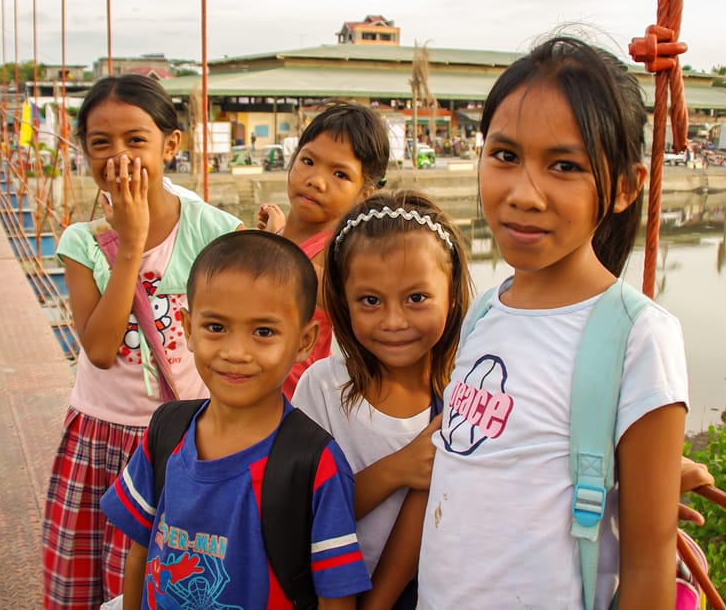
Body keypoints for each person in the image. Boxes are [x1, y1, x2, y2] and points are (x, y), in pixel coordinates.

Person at [418, 36, 689, 609]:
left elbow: (648, 565)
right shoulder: (486, 310)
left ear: (623, 187)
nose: (523, 194)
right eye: (505, 155)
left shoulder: (637, 337)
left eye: (564, 166)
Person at [41, 74, 243, 610]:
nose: (118, 156)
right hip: (103, 435)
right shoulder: (83, 242)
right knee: (94, 586)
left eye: (136, 140)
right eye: (100, 143)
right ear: (83, 150)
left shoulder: (216, 231)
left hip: (184, 437)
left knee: (180, 582)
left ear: (170, 145)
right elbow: (100, 350)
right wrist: (129, 244)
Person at [101, 230, 371, 609]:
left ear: (304, 342)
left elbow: (336, 596)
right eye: (216, 327)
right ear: (189, 328)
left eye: (263, 332)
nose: (236, 352)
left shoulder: (314, 463)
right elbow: (139, 554)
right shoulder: (166, 432)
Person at [294, 190, 471, 610]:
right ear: (343, 300)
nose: (394, 321)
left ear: (451, 294)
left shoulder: (464, 390)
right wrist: (398, 469)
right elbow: (299, 514)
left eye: (417, 298)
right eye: (370, 301)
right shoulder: (322, 388)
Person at [255, 100, 391, 398]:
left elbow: (294, 276)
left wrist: (267, 247)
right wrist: (276, 234)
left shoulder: (334, 256)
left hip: (292, 409)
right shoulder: (282, 240)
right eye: (308, 161)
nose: (316, 180)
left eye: (340, 175)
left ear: (363, 194)